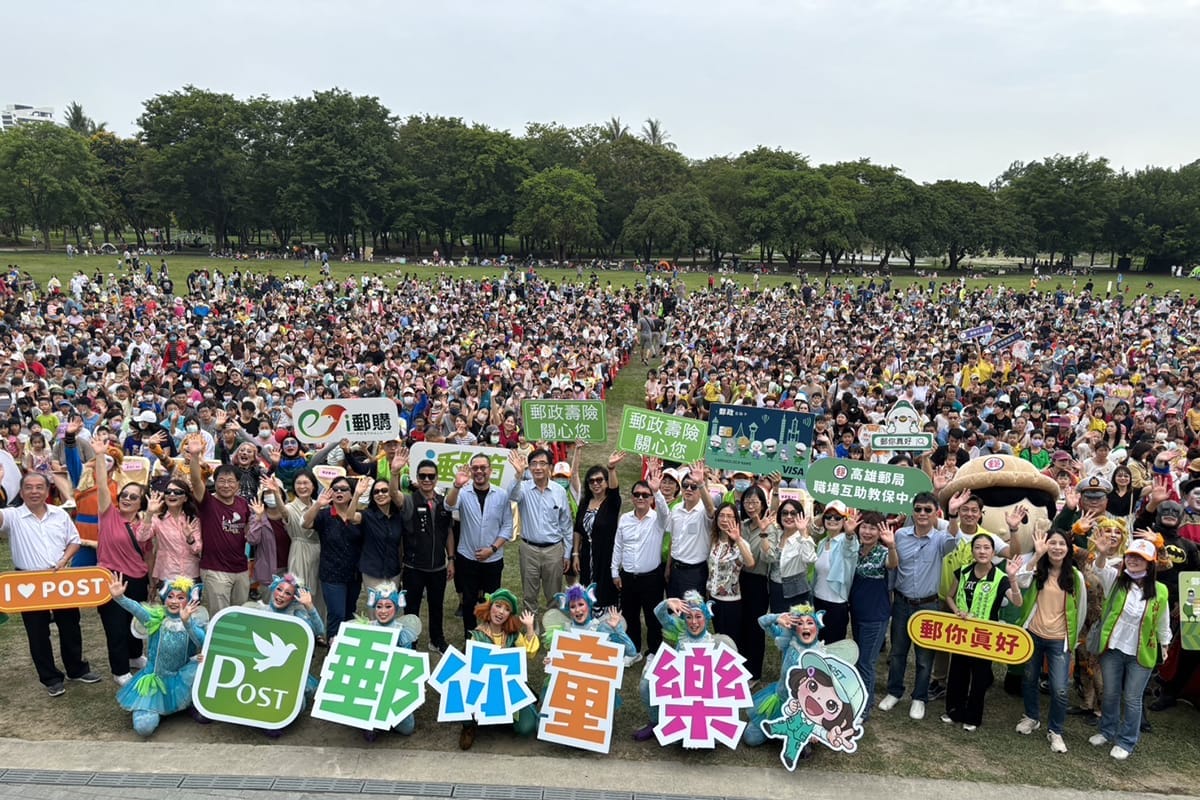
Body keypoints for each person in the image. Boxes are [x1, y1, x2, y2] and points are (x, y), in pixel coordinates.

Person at [0, 471, 101, 695]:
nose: (34, 491)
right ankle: (50, 678)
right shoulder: (13, 516)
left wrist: (64, 559)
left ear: (47, 491)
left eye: (39, 487)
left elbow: (74, 540)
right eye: (29, 487)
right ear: (21, 491)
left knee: (70, 625)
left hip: (60, 578)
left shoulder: (59, 514)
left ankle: (77, 669)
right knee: (37, 632)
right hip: (28, 581)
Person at [1089, 538, 1171, 760]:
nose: (1133, 560)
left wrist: (1165, 644)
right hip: (1113, 648)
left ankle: (1126, 741)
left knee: (1133, 698)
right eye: (1131, 556)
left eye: (1140, 558)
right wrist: (1103, 553)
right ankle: (1107, 731)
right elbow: (1098, 568)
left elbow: (1162, 621)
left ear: (1150, 563)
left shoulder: (1160, 591)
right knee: (1111, 693)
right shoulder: (1116, 582)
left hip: (1140, 652)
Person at [878, 491, 957, 721]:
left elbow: (953, 538)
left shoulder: (941, 538)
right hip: (902, 602)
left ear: (936, 513)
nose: (922, 513)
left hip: (928, 605)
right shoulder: (900, 535)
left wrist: (953, 513)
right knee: (898, 651)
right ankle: (894, 692)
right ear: (913, 511)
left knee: (924, 657)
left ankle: (919, 697)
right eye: (918, 509)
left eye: (928, 510)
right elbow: (893, 565)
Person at [1014, 527, 1087, 752]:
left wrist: (1072, 639)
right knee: (1029, 679)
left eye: (1061, 544)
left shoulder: (1075, 577)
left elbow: (1081, 609)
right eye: (1052, 543)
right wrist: (1037, 554)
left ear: (1068, 548)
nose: (1056, 548)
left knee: (1060, 688)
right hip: (1033, 634)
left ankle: (1055, 730)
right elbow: (1020, 581)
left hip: (1059, 640)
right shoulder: (1038, 570)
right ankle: (1032, 717)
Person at [106, 574, 205, 737]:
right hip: (155, 679)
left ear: (189, 601)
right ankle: (155, 707)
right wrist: (120, 598)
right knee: (144, 727)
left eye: (180, 597)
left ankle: (190, 703)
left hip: (182, 678)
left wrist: (187, 622)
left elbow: (201, 641)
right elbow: (137, 609)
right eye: (170, 596)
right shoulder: (156, 618)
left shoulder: (194, 621)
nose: (174, 601)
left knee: (202, 664)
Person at [941, 534, 1022, 731]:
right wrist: (956, 611)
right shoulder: (963, 572)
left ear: (993, 553)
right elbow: (949, 597)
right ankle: (954, 711)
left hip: (985, 636)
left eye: (987, 548)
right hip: (962, 632)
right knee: (958, 672)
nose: (982, 551)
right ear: (972, 551)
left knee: (979, 676)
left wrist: (1012, 578)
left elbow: (1018, 602)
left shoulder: (1000, 577)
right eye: (978, 547)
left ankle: (973, 717)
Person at [92, 448, 153, 687]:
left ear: (142, 502)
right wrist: (99, 456)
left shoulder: (145, 523)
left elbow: (148, 552)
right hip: (111, 578)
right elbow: (102, 487)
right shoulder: (108, 515)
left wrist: (151, 581)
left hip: (138, 578)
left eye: (133, 497)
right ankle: (119, 669)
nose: (127, 499)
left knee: (134, 622)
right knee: (115, 626)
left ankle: (135, 656)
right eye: (124, 495)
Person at [185, 437, 261, 613]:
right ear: (215, 482)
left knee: (238, 614)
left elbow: (249, 533)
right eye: (221, 481)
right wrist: (195, 456)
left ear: (238, 485)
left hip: (240, 569)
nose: (226, 485)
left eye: (230, 481)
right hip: (215, 570)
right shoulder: (207, 502)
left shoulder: (243, 504)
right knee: (219, 618)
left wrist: (258, 518)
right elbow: (196, 482)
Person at [459, 589, 538, 750]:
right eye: (498, 606)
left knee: (526, 728)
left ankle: (504, 717)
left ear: (510, 615)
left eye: (507, 609)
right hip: (483, 690)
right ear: (490, 607)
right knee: (463, 693)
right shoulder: (476, 636)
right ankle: (469, 726)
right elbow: (467, 673)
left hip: (507, 689)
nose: (501, 612)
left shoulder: (513, 636)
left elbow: (529, 653)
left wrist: (529, 628)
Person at [632, 590, 717, 741]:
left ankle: (700, 730)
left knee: (683, 740)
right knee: (646, 683)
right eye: (689, 617)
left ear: (706, 617)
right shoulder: (680, 631)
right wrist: (667, 603)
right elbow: (659, 614)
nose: (693, 622)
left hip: (700, 694)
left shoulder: (712, 642)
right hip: (677, 684)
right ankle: (655, 722)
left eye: (698, 617)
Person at [445, 454, 513, 637]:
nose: (479, 471)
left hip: (493, 558)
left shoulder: (501, 494)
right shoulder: (463, 492)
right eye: (475, 468)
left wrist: (492, 549)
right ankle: (470, 636)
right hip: (468, 557)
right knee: (469, 601)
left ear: (490, 471)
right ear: (471, 471)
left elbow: (507, 526)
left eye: (483, 467)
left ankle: (491, 635)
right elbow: (448, 505)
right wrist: (457, 485)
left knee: (493, 601)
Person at [507, 449, 573, 625]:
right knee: (529, 596)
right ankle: (532, 632)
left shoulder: (559, 491)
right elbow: (511, 495)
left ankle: (552, 631)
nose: (537, 468)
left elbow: (566, 524)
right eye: (533, 464)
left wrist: (567, 554)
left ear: (550, 467)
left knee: (554, 595)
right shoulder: (524, 488)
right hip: (529, 549)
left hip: (553, 550)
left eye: (542, 463)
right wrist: (518, 475)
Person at [302, 475, 371, 641]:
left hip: (354, 573)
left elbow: (350, 517)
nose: (339, 492)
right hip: (331, 574)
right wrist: (318, 504)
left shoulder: (359, 516)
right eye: (336, 489)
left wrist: (357, 496)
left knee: (349, 613)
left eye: (344, 489)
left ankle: (345, 649)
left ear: (351, 492)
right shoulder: (324, 515)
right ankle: (331, 650)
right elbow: (305, 524)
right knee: (336, 614)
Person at [612, 469, 670, 658]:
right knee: (630, 615)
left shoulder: (657, 519)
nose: (641, 498)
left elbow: (666, 515)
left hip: (651, 577)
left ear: (651, 498)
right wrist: (615, 571)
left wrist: (657, 491)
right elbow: (618, 546)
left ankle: (654, 651)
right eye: (637, 494)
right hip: (628, 576)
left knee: (653, 617)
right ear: (632, 497)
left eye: (645, 495)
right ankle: (633, 650)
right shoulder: (625, 519)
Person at [398, 458, 454, 653]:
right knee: (411, 607)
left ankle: (436, 639)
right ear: (417, 478)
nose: (427, 479)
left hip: (438, 566)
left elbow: (448, 532)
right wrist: (395, 473)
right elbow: (393, 495)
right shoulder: (409, 500)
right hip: (414, 567)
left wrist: (451, 559)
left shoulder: (443, 503)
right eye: (423, 476)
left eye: (431, 476)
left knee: (436, 605)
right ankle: (410, 641)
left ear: (437, 478)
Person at [849, 511, 896, 719]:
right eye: (864, 527)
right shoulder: (855, 549)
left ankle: (864, 708)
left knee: (867, 661)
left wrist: (892, 545)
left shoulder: (883, 552)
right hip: (857, 614)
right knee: (860, 658)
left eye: (873, 528)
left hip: (875, 616)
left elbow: (893, 564)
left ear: (880, 532)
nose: (867, 532)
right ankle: (857, 697)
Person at [362, 582, 421, 742]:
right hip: (370, 683)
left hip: (393, 685)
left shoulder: (403, 632)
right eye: (379, 606)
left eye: (388, 606)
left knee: (407, 728)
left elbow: (407, 665)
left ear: (396, 608)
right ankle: (370, 718)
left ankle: (384, 715)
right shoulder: (365, 628)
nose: (383, 611)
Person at [573, 452, 625, 610]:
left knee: (605, 589)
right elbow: (578, 529)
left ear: (606, 482)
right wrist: (575, 553)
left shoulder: (611, 503)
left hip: (606, 553)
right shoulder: (585, 502)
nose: (596, 483)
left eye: (600, 480)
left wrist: (611, 468)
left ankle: (607, 619)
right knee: (587, 587)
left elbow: (615, 489)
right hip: (587, 553)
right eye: (592, 481)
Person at [664, 460, 716, 598]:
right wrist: (668, 567)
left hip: (695, 572)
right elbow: (673, 541)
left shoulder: (704, 511)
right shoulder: (675, 509)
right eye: (685, 485)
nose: (688, 489)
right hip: (675, 569)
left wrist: (701, 483)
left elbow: (711, 509)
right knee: (674, 612)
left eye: (693, 487)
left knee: (692, 614)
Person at [810, 499, 858, 643]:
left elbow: (851, 550)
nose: (832, 520)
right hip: (818, 601)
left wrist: (850, 534)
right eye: (828, 517)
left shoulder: (845, 541)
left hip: (836, 605)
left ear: (844, 521)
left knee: (832, 647)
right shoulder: (823, 542)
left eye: (837, 517)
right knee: (816, 645)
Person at [706, 502, 755, 638]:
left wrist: (738, 539)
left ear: (736, 520)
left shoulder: (741, 544)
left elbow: (750, 563)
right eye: (721, 516)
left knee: (731, 640)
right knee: (718, 636)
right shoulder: (714, 541)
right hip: (713, 598)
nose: (725, 520)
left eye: (729, 516)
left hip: (731, 601)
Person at [773, 499, 815, 611]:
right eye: (785, 513)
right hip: (775, 589)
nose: (789, 516)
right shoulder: (776, 536)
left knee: (796, 626)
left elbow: (810, 559)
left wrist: (803, 533)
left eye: (793, 513)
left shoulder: (803, 539)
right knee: (778, 626)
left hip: (797, 593)